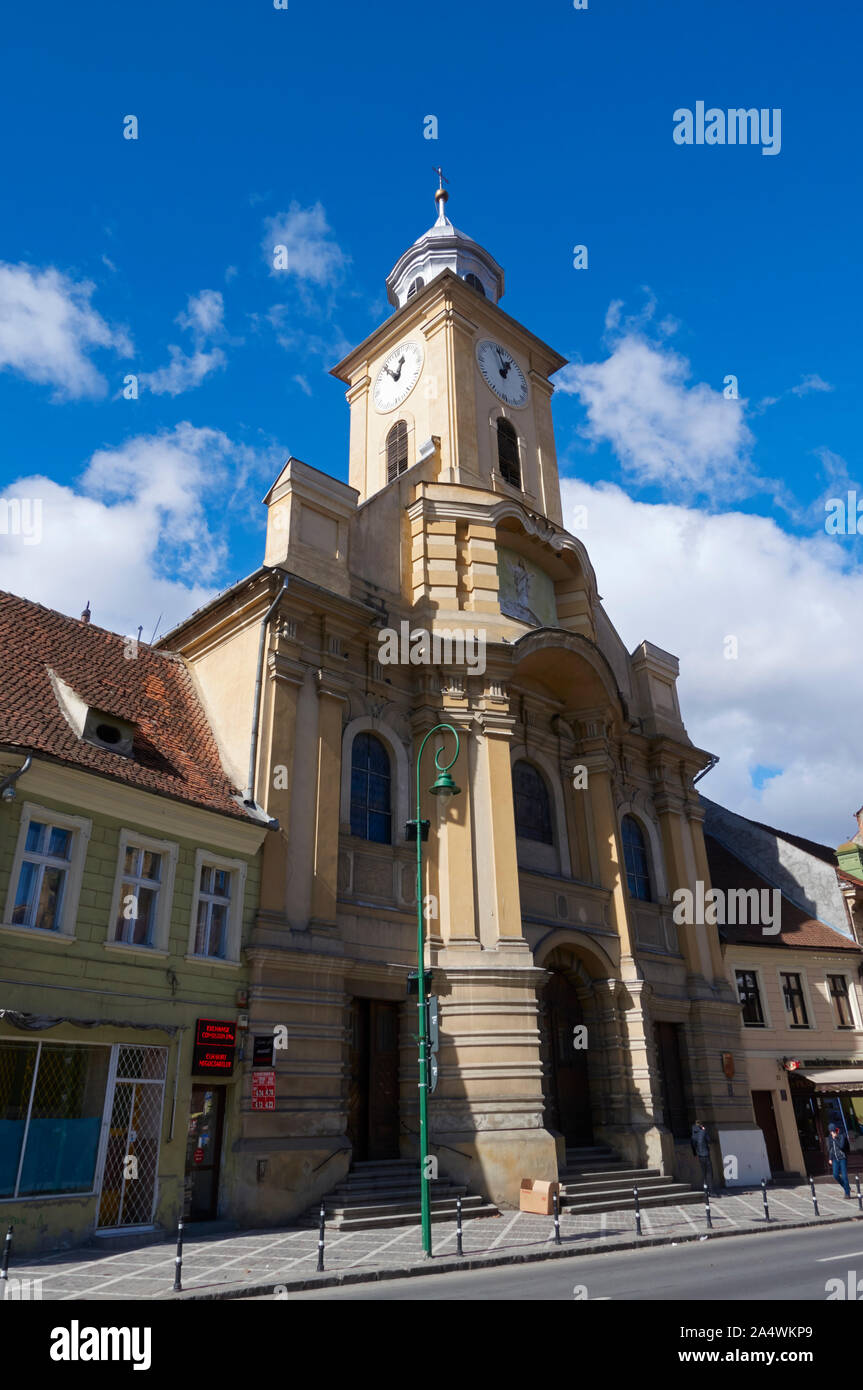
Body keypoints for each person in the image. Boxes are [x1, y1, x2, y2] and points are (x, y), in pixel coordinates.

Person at [826, 1122, 851, 1198]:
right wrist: (830, 1158)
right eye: (830, 1131)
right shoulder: (830, 1137)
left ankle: (847, 1194)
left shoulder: (841, 1135)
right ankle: (846, 1187)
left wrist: (835, 1138)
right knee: (835, 1175)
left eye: (832, 1131)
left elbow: (841, 1146)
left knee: (844, 1176)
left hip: (842, 1158)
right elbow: (831, 1149)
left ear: (835, 1130)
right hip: (835, 1159)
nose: (831, 1133)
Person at [691, 1120, 716, 1195]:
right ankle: (711, 1191)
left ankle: (705, 1190)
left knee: (703, 1172)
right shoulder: (703, 1132)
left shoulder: (693, 1134)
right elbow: (709, 1140)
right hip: (706, 1154)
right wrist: (705, 1131)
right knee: (709, 1173)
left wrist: (695, 1154)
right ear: (701, 1125)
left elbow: (693, 1144)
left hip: (700, 1155)